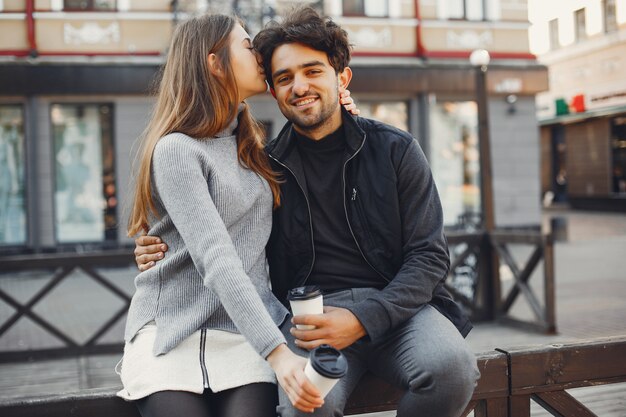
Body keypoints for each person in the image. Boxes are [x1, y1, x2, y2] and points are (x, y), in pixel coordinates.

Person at [135, 7, 480, 417]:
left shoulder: (395, 149)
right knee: (307, 405)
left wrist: (362, 318)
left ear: (342, 78)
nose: (299, 87)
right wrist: (160, 244)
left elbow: (430, 256)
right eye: (283, 78)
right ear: (273, 90)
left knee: (453, 368)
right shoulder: (263, 166)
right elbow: (220, 236)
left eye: (313, 71)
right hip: (305, 320)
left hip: (396, 306)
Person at [117, 13, 357, 417]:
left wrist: (344, 114)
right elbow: (215, 256)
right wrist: (280, 355)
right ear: (214, 62)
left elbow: (323, 168)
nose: (259, 55)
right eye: (247, 45)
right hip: (173, 335)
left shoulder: (253, 149)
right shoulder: (177, 149)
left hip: (247, 334)